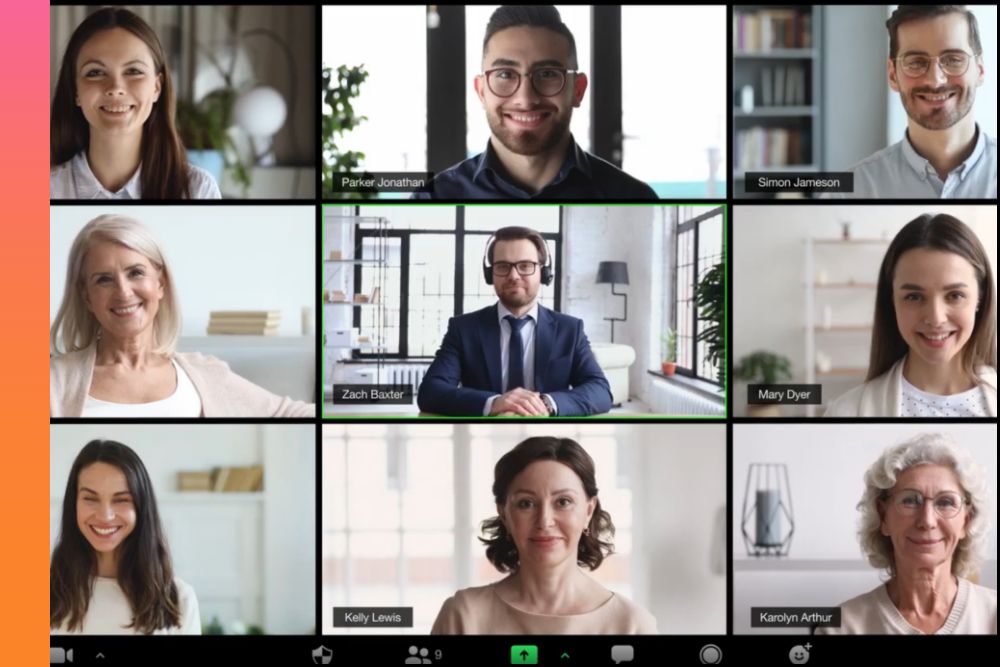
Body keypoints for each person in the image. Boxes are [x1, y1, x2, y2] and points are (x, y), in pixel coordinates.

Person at [50, 214, 314, 417]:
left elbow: (290, 413)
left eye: (136, 273)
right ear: (86, 296)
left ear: (161, 283)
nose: (124, 292)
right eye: (104, 279)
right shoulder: (53, 380)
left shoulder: (203, 375)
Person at [413, 5, 658, 200]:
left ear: (578, 90)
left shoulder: (633, 197)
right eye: (505, 74)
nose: (526, 99)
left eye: (548, 74)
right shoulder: (431, 198)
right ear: (481, 91)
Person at [431, 436, 657, 634]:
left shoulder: (632, 625)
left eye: (563, 502)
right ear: (504, 514)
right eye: (526, 503)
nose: (544, 521)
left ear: (588, 510)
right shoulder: (462, 616)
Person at [417, 226, 612, 416]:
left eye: (525, 266)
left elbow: (600, 391)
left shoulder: (570, 329)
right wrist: (493, 403)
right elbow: (431, 392)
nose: (513, 276)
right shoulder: (463, 329)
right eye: (503, 266)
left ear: (543, 272)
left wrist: (545, 403)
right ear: (489, 274)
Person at [816, 433, 996, 634]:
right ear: (883, 517)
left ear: (966, 520)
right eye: (910, 500)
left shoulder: (992, 615)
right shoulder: (843, 627)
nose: (927, 521)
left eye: (945, 502)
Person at [825, 213, 996, 416]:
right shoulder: (846, 412)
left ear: (980, 298)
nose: (935, 318)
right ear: (892, 300)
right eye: (914, 297)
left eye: (955, 295)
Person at [51, 7, 221, 199]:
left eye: (133, 71)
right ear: (75, 91)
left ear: (157, 87)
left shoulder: (197, 191)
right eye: (95, 72)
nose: (115, 88)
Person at [51, 440, 201, 634]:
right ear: (74, 505)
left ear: (141, 507)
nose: (105, 516)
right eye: (90, 498)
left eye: (121, 499)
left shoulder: (180, 599)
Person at [845, 5, 996, 198]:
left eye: (953, 60)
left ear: (980, 69)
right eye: (916, 62)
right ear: (892, 75)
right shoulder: (850, 191)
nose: (935, 81)